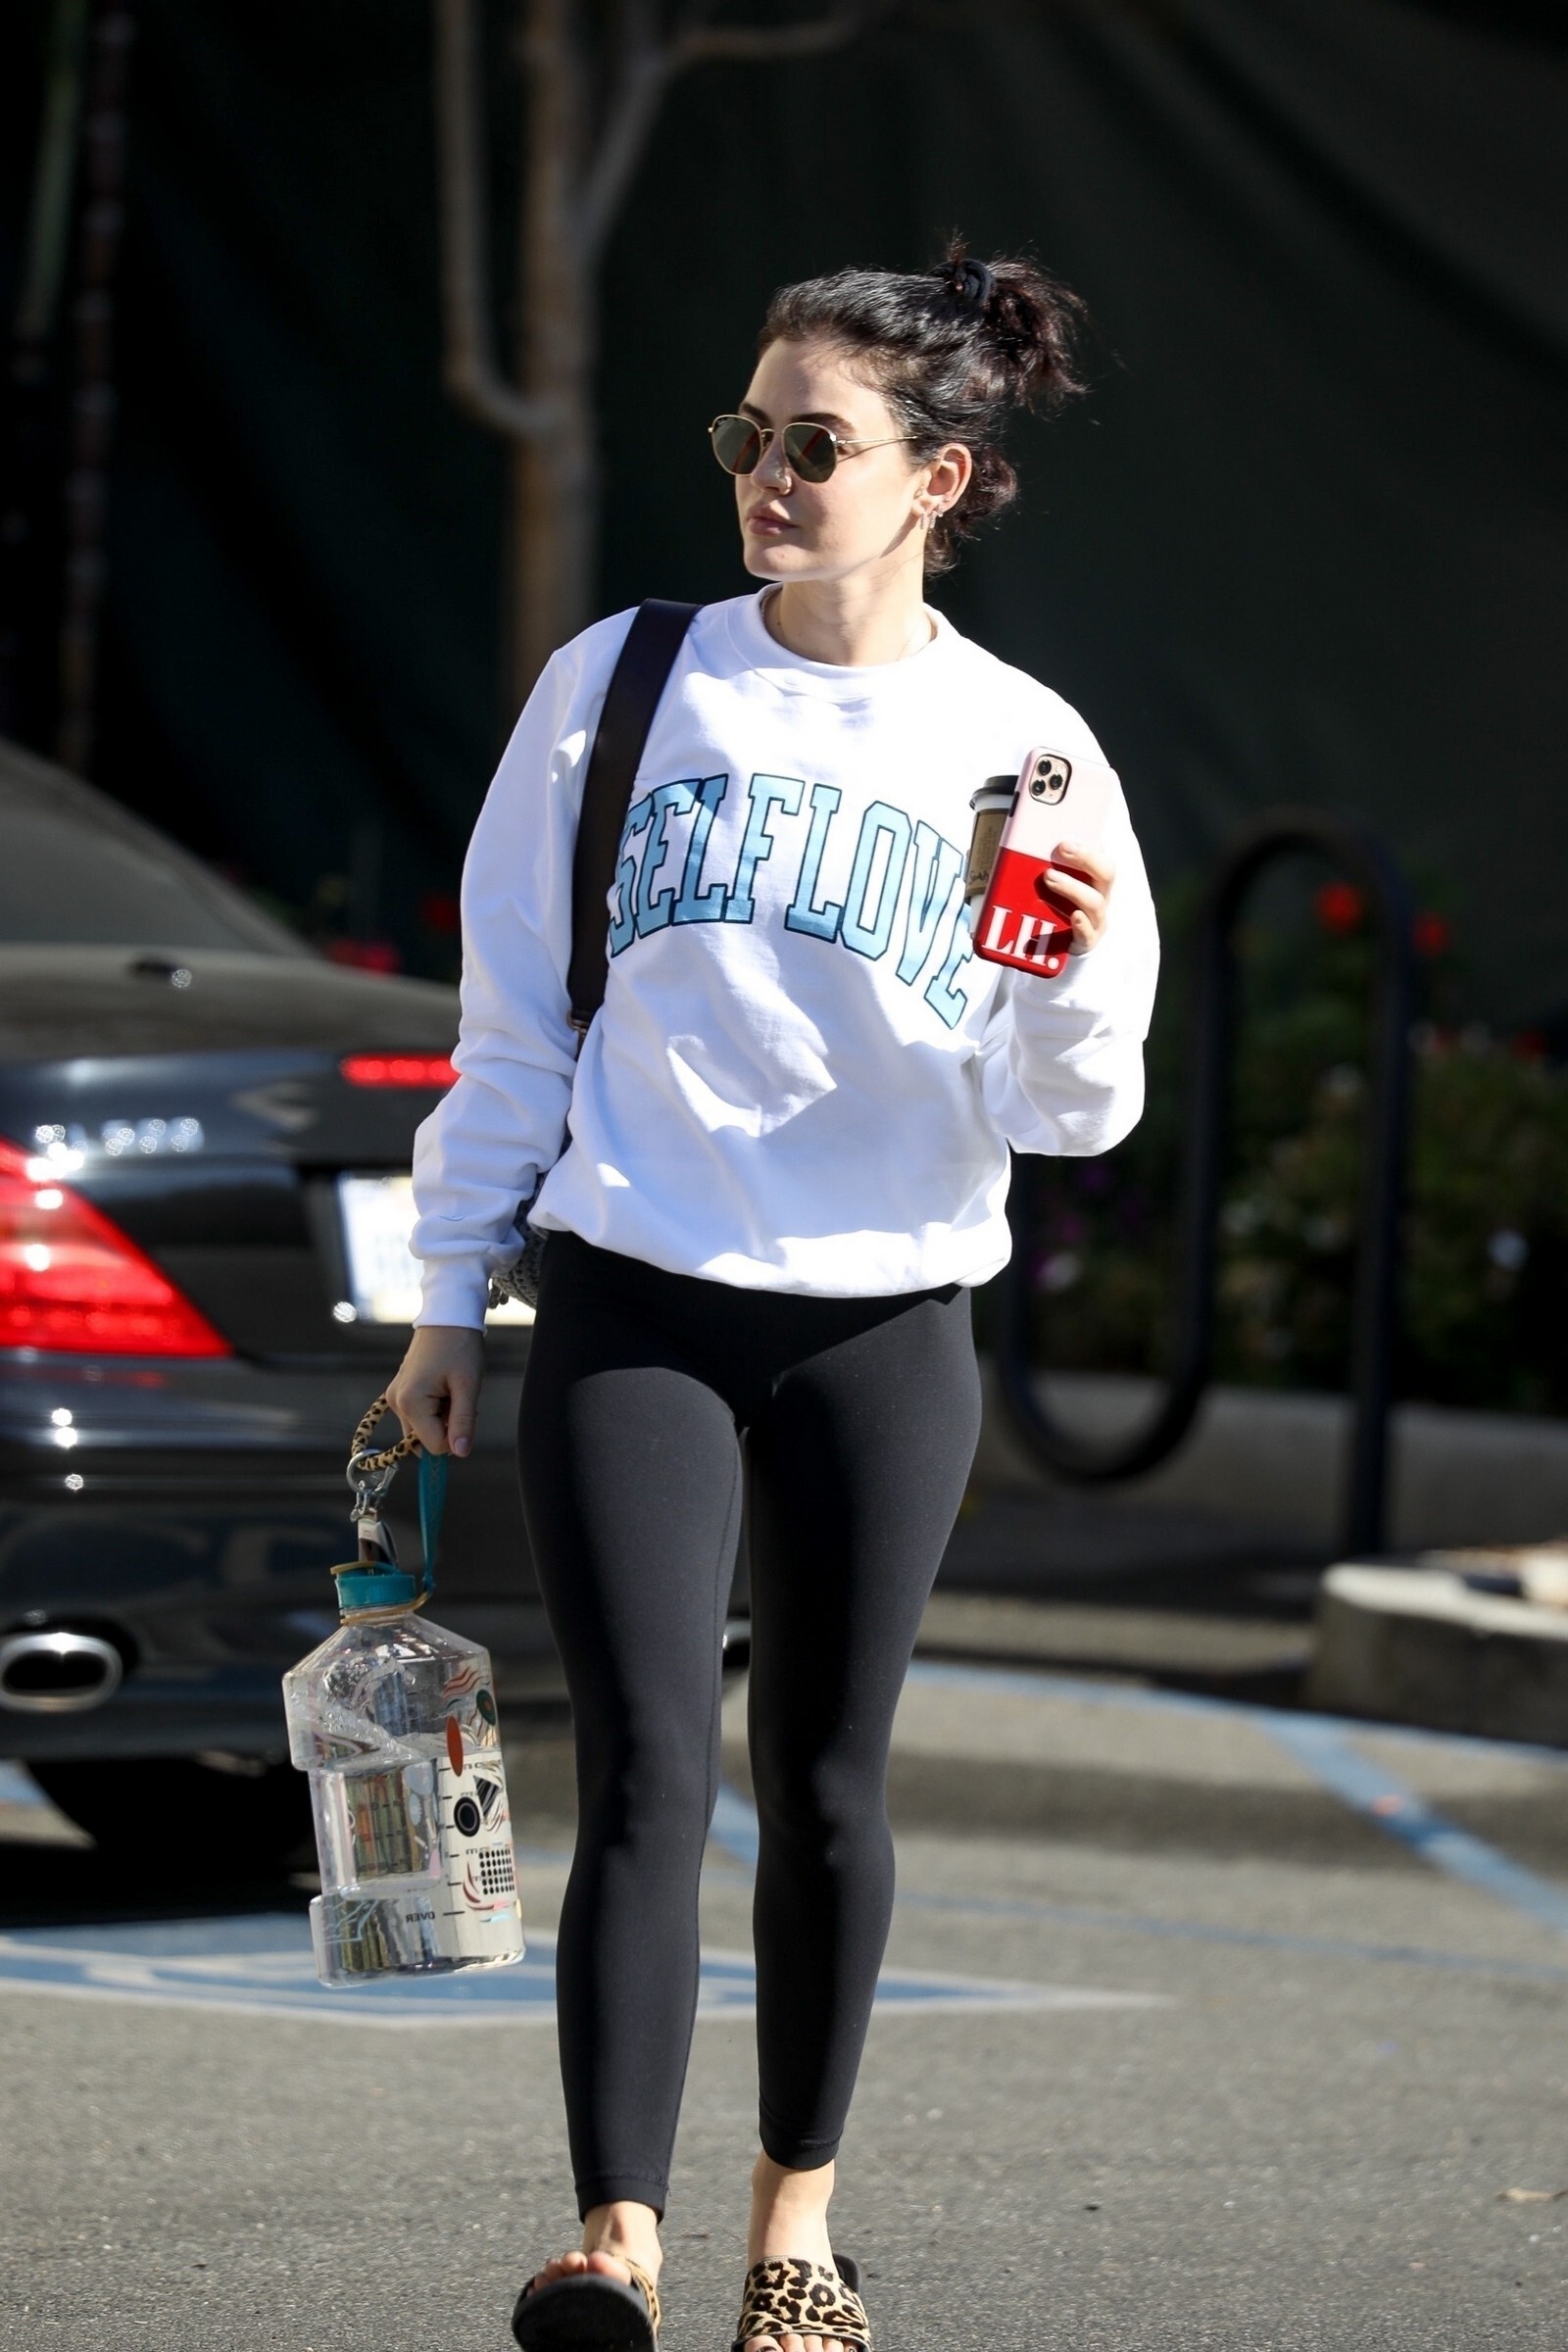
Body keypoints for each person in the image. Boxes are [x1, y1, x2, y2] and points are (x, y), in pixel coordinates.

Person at [387, 243, 1158, 2352]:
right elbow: (513, 1023)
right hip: (634, 1295)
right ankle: (612, 2238)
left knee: (823, 1784)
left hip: (883, 1329)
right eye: (749, 433)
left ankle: (791, 2231)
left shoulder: (1022, 751)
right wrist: (450, 1296)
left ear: (938, 477)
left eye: (816, 445)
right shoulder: (624, 685)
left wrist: (1067, 970)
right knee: (645, 1764)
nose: (766, 475)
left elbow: (1069, 1113)